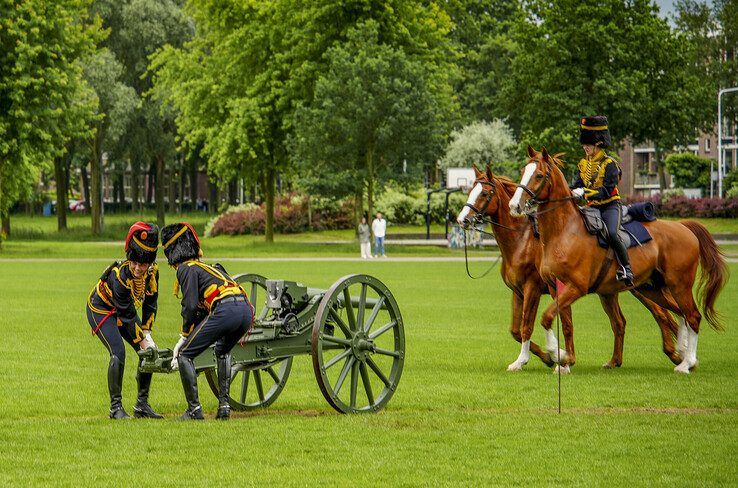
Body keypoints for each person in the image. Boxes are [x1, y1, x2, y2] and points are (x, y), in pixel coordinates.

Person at [161, 223, 254, 420]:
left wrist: (184, 336)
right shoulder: (212, 267)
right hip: (245, 311)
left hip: (226, 310)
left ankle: (194, 410)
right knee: (222, 351)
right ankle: (224, 407)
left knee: (185, 355)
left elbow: (190, 305)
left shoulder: (185, 268)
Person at [85, 222, 162, 419]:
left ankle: (142, 405)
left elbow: (151, 303)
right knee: (118, 352)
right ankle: (115, 408)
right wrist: (143, 341)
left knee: (147, 353)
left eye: (142, 264)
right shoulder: (119, 276)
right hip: (101, 309)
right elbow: (127, 314)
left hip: (123, 310)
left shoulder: (153, 273)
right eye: (134, 262)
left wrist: (147, 332)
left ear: (150, 262)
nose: (137, 268)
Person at [570, 115, 634, 286]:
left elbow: (606, 190)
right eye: (584, 145)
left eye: (588, 145)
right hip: (592, 208)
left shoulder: (610, 164)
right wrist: (569, 192)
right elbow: (576, 184)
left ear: (598, 143)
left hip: (610, 206)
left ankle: (626, 268)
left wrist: (584, 193)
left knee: (612, 233)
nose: (585, 147)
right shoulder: (582, 164)